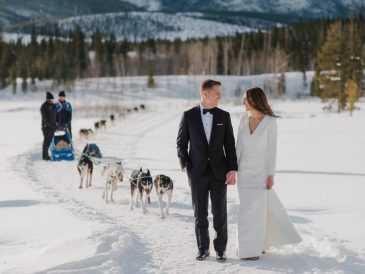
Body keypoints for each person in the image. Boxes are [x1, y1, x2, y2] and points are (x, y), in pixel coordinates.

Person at [236, 87, 302, 260]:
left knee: (257, 213)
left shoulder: (270, 122)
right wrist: (233, 170)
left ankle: (253, 250)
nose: (242, 102)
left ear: (254, 100)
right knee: (245, 212)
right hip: (244, 173)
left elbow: (272, 150)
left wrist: (271, 174)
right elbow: (238, 148)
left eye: (245, 99)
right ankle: (248, 247)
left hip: (261, 174)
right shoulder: (243, 119)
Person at [177, 79, 238, 262]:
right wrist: (187, 167)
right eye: (217, 93)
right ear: (205, 93)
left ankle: (220, 250)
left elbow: (230, 145)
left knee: (220, 213)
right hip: (197, 173)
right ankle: (203, 249)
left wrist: (232, 169)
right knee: (200, 214)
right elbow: (181, 144)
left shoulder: (224, 116)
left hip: (220, 172)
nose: (220, 96)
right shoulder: (188, 115)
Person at [40, 91, 57, 160]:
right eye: (51, 100)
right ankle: (45, 156)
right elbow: (45, 119)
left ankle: (47, 155)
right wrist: (52, 126)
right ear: (47, 99)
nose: (52, 101)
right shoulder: (43, 107)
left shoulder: (54, 105)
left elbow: (56, 116)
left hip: (53, 127)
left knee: (49, 141)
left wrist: (56, 124)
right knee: (46, 142)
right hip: (46, 127)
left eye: (53, 100)